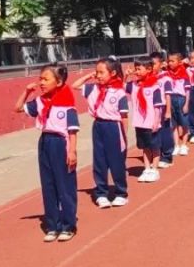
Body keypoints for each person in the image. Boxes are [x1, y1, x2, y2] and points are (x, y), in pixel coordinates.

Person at [15, 63, 80, 241]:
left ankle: (68, 224)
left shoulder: (67, 104)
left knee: (64, 185)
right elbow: (18, 108)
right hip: (45, 142)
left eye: (46, 79)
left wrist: (72, 151)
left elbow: (73, 130)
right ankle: (53, 225)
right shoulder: (40, 101)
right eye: (40, 79)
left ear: (58, 82)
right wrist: (27, 92)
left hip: (61, 143)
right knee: (48, 185)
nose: (41, 82)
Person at [72, 59, 129, 209]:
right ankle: (101, 193)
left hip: (114, 127)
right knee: (99, 161)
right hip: (98, 125)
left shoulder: (119, 92)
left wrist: (124, 135)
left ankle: (121, 193)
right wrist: (89, 76)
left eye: (101, 72)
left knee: (116, 161)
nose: (98, 75)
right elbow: (75, 85)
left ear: (113, 73)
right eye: (97, 72)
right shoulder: (93, 89)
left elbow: (124, 117)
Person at [127, 58, 164, 181]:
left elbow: (158, 106)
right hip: (139, 123)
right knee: (144, 147)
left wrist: (156, 121)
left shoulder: (155, 86)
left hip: (151, 122)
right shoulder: (134, 85)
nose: (136, 71)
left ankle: (154, 169)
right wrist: (126, 76)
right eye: (135, 69)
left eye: (139, 69)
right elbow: (120, 87)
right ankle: (147, 168)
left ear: (148, 69)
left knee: (154, 146)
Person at [151, 52, 176, 167]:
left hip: (163, 107)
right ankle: (157, 154)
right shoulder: (150, 78)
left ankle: (167, 156)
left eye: (154, 64)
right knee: (155, 131)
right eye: (150, 64)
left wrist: (168, 111)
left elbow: (168, 95)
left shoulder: (166, 78)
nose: (152, 66)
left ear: (161, 64)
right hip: (153, 109)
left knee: (165, 132)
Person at [166, 52, 192, 154]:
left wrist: (186, 103)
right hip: (171, 99)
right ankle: (176, 145)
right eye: (169, 61)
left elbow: (188, 90)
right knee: (173, 124)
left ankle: (184, 145)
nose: (170, 63)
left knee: (184, 123)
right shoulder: (167, 73)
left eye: (173, 61)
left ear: (179, 62)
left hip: (181, 99)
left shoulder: (184, 73)